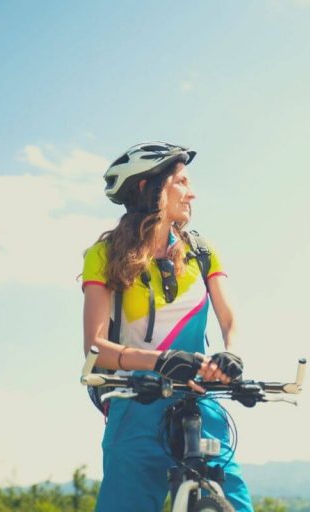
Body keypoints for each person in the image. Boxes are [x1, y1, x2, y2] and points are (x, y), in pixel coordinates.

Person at [81, 141, 253, 511]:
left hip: (200, 404)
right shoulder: (104, 255)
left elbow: (230, 318)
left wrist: (231, 354)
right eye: (182, 181)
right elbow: (95, 346)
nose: (193, 193)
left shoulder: (202, 251)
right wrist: (159, 361)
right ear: (148, 188)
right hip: (135, 405)